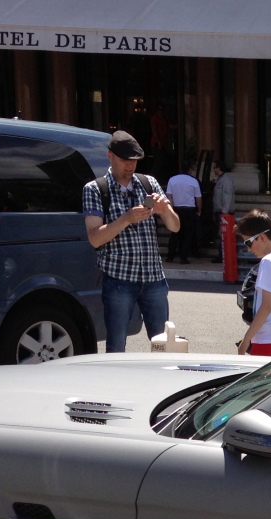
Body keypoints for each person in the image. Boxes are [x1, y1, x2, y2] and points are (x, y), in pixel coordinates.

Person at [82, 130, 180, 353]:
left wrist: (165, 210)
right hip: (119, 280)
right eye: (125, 160)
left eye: (134, 161)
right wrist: (126, 218)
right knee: (116, 344)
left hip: (154, 278)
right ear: (110, 156)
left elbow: (175, 226)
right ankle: (116, 385)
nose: (130, 166)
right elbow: (95, 238)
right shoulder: (96, 189)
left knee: (163, 344)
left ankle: (163, 383)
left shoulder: (148, 183)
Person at [235, 210, 271, 356]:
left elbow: (266, 306)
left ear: (261, 238)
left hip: (268, 338)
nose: (248, 249)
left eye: (248, 242)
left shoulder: (268, 262)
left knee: (260, 378)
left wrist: (246, 340)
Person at [167, 162, 202, 263]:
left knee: (175, 233)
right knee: (188, 234)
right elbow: (198, 198)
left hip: (176, 209)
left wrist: (171, 208)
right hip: (189, 209)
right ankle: (183, 257)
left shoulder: (172, 180)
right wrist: (199, 210)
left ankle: (170, 256)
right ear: (190, 170)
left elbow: (169, 196)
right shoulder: (194, 181)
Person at [210, 161, 235, 264]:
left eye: (215, 167)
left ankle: (222, 255)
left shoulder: (226, 180)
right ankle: (221, 255)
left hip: (224, 212)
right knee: (220, 235)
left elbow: (227, 196)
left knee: (222, 235)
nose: (214, 170)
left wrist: (225, 212)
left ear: (219, 168)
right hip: (218, 211)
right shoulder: (221, 179)